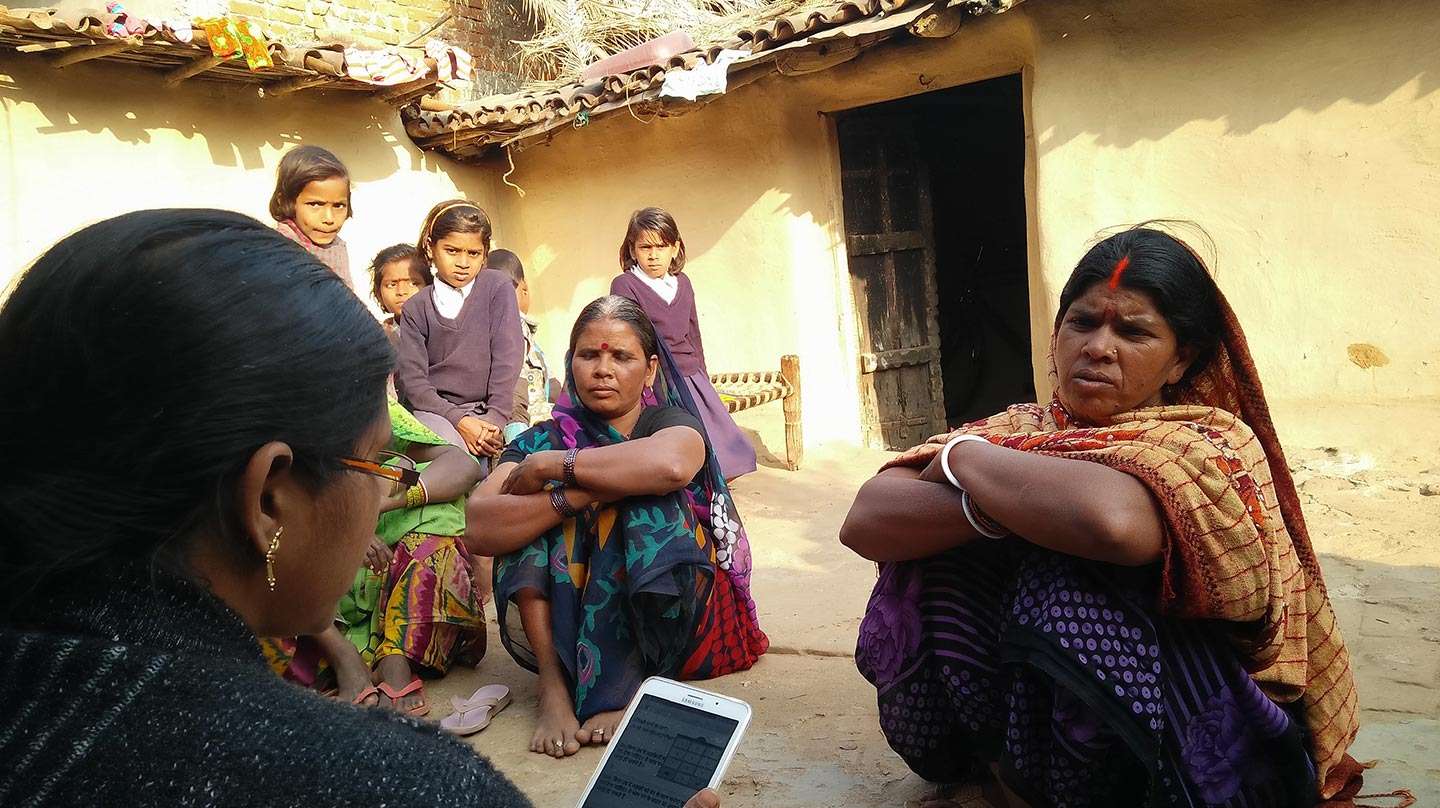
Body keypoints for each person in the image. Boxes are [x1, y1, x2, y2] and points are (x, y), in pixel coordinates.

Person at [0, 210, 724, 808]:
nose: (386, 487)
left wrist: (551, 485)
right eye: (376, 463)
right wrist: (573, 485)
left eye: (622, 357)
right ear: (271, 502)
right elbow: (485, 524)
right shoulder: (397, 785)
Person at [840, 226, 1365, 807]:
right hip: (1035, 736)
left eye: (1133, 332)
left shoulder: (1211, 445)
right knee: (933, 563)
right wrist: (999, 507)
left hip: (1194, 737)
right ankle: (1002, 771)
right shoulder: (1025, 431)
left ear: (1179, 360)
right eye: (1083, 322)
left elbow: (1112, 524)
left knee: (1063, 582)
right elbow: (868, 517)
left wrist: (960, 459)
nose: (1098, 347)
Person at [468, 295, 769, 760]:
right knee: (528, 516)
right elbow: (482, 525)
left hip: (678, 615)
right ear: (571, 363)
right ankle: (553, 682)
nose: (603, 369)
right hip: (569, 619)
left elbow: (670, 465)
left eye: (621, 357)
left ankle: (627, 680)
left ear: (650, 370)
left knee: (643, 504)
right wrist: (578, 493)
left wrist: (556, 466)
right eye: (590, 355)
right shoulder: (540, 437)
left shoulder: (667, 422)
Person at [261, 402, 487, 717]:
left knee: (437, 520)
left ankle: (395, 658)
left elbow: (462, 464)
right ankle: (342, 655)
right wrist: (347, 526)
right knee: (262, 541)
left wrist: (384, 504)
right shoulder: (282, 412)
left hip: (381, 561)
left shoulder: (378, 410)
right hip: (312, 567)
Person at [610, 207, 756, 481]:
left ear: (675, 248)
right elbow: (627, 338)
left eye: (662, 246)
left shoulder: (683, 284)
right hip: (654, 381)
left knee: (729, 451)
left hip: (691, 376)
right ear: (632, 249)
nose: (653, 255)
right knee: (676, 447)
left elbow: (693, 333)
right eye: (645, 247)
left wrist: (704, 379)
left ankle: (710, 497)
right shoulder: (625, 285)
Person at [395, 199, 523, 463]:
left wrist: (495, 418)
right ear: (431, 248)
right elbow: (415, 383)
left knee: (506, 464)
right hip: (437, 412)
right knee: (455, 458)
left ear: (485, 253)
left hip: (491, 409)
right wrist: (459, 420)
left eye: (473, 253)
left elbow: (507, 356)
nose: (463, 262)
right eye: (452, 251)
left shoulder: (496, 287)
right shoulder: (416, 309)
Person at [485, 247, 559, 441]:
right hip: (525, 426)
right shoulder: (511, 323)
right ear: (524, 289)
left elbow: (548, 381)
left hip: (534, 419)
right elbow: (512, 385)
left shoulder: (519, 327)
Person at [269, 144, 355, 288]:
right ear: (285, 201)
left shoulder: (337, 248)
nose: (329, 219)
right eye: (315, 204)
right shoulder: (278, 251)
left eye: (338, 206)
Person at [369, 243, 430, 345]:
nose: (401, 292)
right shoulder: (375, 339)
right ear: (379, 294)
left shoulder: (445, 332)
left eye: (413, 283)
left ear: (429, 287)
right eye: (391, 285)